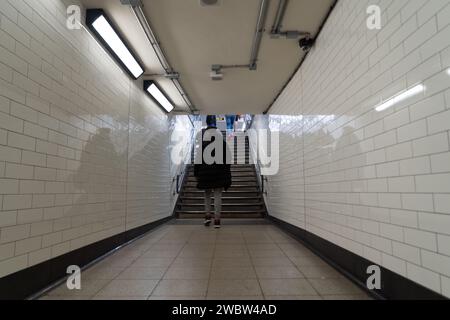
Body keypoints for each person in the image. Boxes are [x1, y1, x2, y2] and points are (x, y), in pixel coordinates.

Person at [194, 115, 232, 228]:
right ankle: (217, 220)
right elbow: (228, 159)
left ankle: (207, 217)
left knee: (206, 195)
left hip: (205, 174)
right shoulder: (222, 142)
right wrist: (226, 172)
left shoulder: (203, 143)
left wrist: (196, 173)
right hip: (219, 174)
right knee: (217, 196)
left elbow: (198, 159)